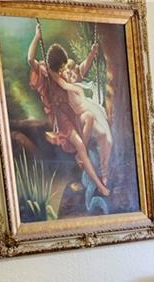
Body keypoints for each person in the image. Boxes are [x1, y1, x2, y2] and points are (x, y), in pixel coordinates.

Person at [27, 20, 115, 200]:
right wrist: (36, 37)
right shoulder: (45, 74)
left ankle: (81, 157)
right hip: (62, 119)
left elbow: (79, 71)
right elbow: (30, 59)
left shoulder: (64, 72)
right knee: (81, 146)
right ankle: (100, 186)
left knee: (90, 116)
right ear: (52, 66)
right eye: (59, 68)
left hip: (74, 114)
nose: (63, 70)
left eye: (63, 67)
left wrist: (91, 55)